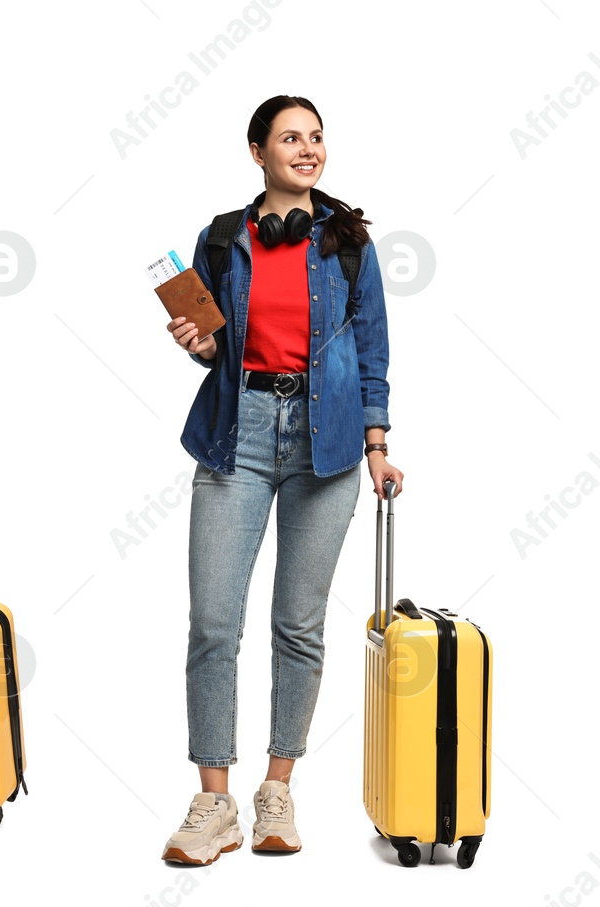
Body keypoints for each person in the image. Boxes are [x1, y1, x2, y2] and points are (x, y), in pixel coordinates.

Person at [160, 95, 404, 865]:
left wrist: (377, 443)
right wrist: (196, 343)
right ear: (257, 152)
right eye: (290, 138)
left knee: (298, 625)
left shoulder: (347, 242)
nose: (307, 149)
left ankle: (277, 790)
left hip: (327, 445)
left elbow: (371, 345)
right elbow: (211, 347)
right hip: (240, 436)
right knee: (213, 625)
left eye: (316, 138)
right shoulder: (222, 238)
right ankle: (213, 800)